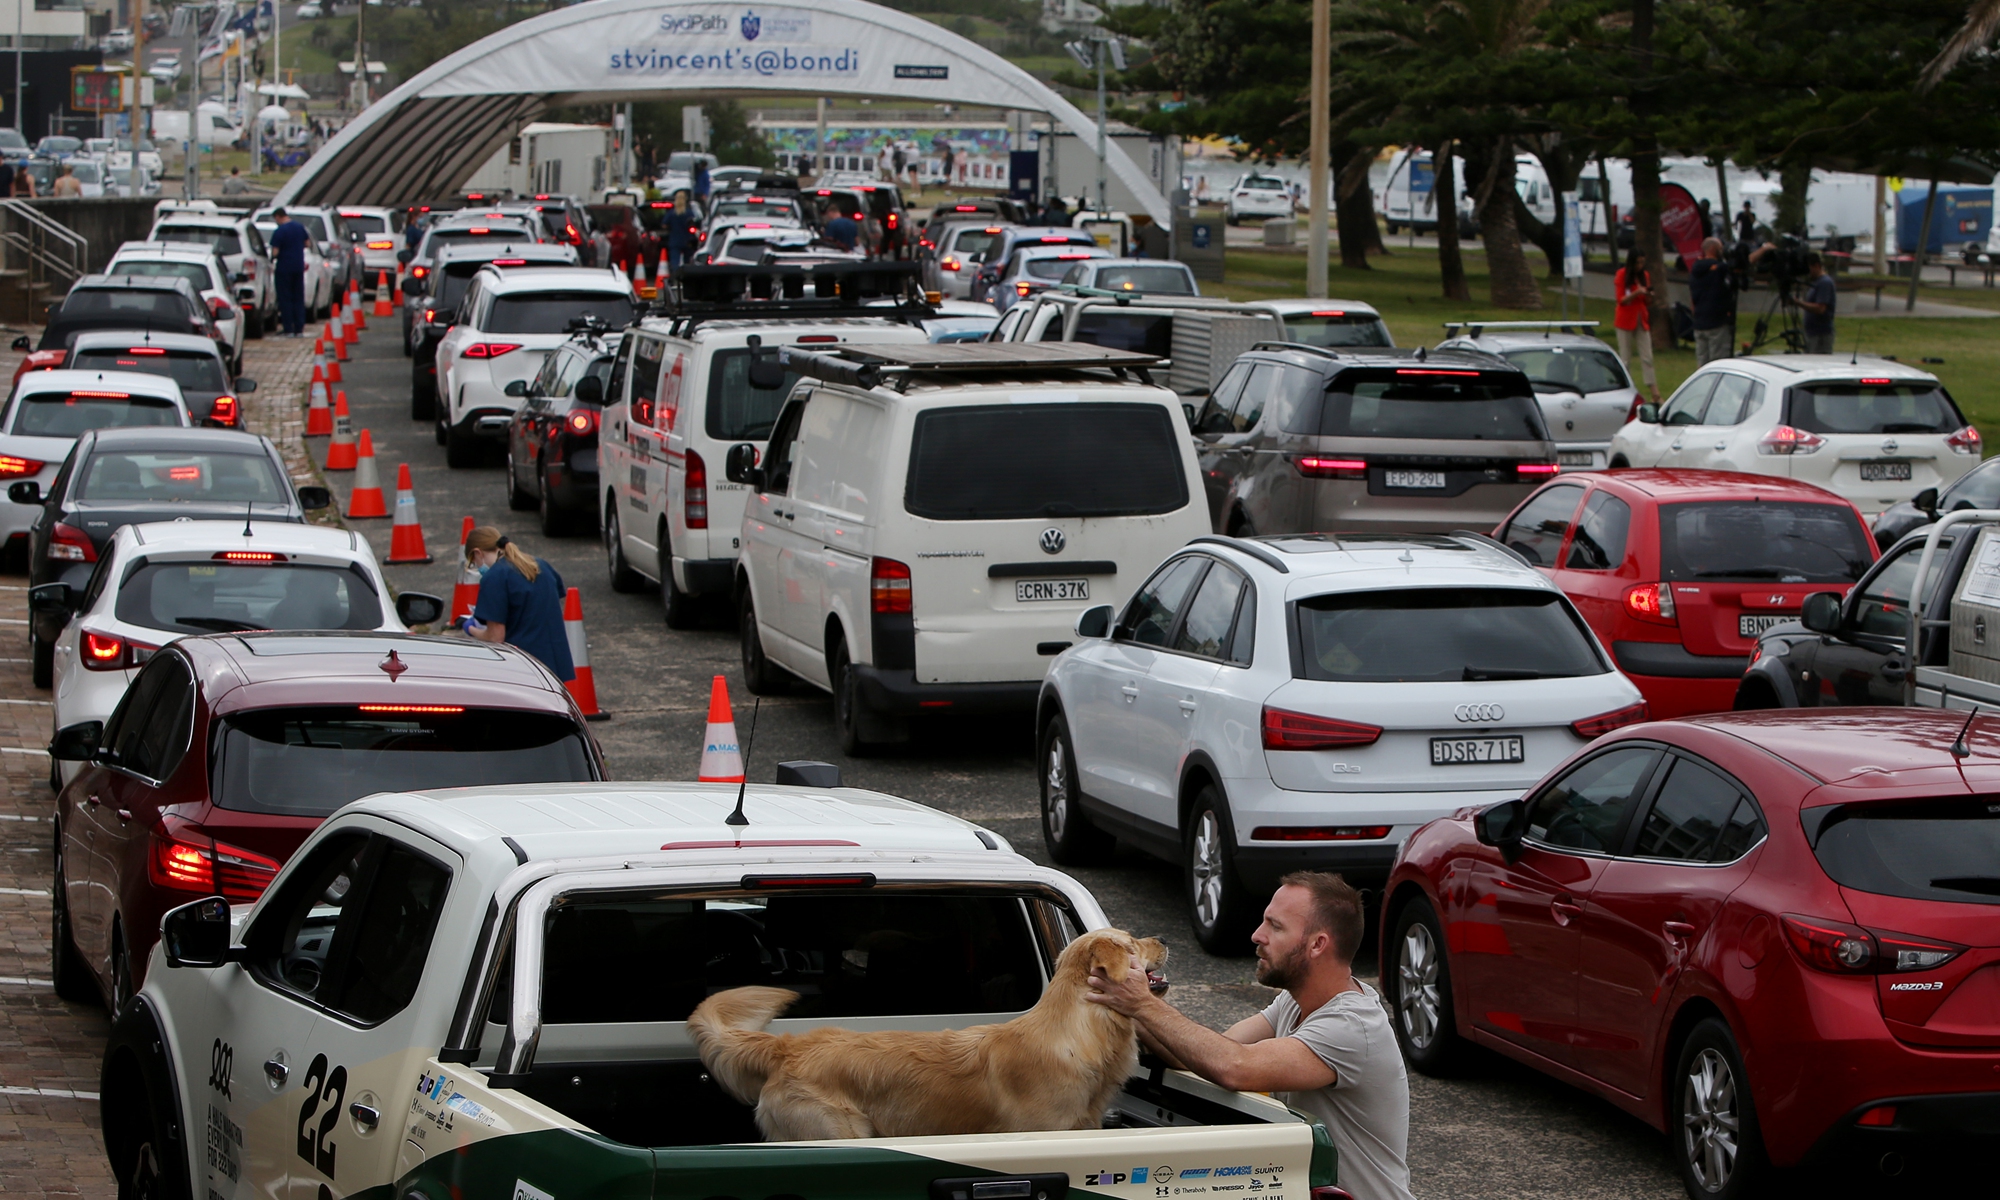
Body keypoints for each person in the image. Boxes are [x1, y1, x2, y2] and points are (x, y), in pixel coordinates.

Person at [1087, 873, 1414, 1200]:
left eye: (1276, 926)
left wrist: (1141, 1003)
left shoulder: (1351, 1027)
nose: (1257, 935)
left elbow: (1234, 1067)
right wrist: (1127, 1003)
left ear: (1318, 944)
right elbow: (1200, 1056)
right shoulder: (1295, 1000)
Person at [461, 527, 575, 681]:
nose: (477, 567)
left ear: (477, 553)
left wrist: (470, 628)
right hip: (554, 664)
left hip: (524, 666)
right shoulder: (540, 565)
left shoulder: (495, 578)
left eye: (474, 563)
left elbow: (496, 637)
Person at [1613, 249, 1659, 401]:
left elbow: (1647, 301)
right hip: (1625, 320)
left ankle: (1655, 393)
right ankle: (1625, 391)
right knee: (1625, 358)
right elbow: (1621, 300)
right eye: (1637, 262)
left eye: (1642, 262)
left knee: (1647, 357)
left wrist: (1648, 296)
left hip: (1641, 319)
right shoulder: (1622, 274)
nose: (1640, 266)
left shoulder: (1644, 276)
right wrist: (1636, 293)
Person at [1687, 237, 1734, 365]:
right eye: (1720, 248)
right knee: (1718, 362)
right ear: (1713, 249)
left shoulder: (1695, 270)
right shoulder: (1719, 270)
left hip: (1699, 321)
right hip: (1716, 322)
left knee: (1702, 362)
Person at [269, 207, 310, 337]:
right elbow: (307, 243)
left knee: (285, 298)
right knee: (298, 297)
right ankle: (299, 327)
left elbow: (275, 251)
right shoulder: (299, 227)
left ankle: (288, 328)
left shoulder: (280, 231)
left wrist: (273, 258)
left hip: (284, 268)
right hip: (298, 267)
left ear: (278, 217)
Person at [1798, 252, 1837, 354]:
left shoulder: (1824, 283)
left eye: (1809, 268)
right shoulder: (1816, 282)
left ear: (1817, 266)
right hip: (1812, 333)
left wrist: (1798, 303)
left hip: (1820, 334)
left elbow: (1820, 308)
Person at [664, 193, 700, 274]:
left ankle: (675, 275)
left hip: (675, 240)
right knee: (688, 261)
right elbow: (694, 224)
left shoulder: (671, 213)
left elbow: (664, 224)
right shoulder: (689, 213)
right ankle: (686, 275)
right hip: (687, 240)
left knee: (674, 260)